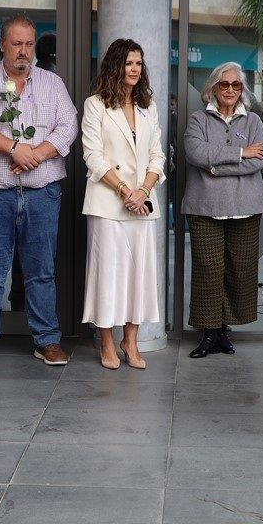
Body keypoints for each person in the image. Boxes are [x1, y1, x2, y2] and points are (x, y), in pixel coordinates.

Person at [0, 15, 79, 369]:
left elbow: (68, 124)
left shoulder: (52, 83)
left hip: (42, 193)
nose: (23, 51)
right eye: (16, 43)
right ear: (2, 45)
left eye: (28, 44)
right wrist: (13, 149)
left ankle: (47, 340)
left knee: (41, 270)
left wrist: (36, 154)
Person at [80, 39, 166, 369]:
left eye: (139, 64)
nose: (134, 69)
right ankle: (106, 342)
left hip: (142, 204)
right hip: (106, 204)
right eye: (129, 63)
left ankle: (130, 341)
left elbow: (157, 154)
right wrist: (124, 191)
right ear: (116, 66)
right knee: (107, 275)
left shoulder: (149, 106)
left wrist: (142, 191)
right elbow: (93, 156)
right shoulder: (95, 105)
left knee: (138, 275)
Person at [182, 61, 263, 357]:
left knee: (238, 270)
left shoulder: (254, 121)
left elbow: (260, 160)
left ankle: (224, 330)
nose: (230, 89)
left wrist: (215, 169)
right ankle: (209, 333)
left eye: (236, 85)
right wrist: (240, 153)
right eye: (224, 84)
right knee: (208, 270)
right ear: (214, 87)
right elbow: (196, 153)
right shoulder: (197, 119)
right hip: (204, 206)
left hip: (246, 208)